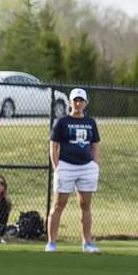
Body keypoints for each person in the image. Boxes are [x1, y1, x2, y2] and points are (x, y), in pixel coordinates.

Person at [46, 88, 101, 253]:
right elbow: (53, 146)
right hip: (66, 166)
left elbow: (95, 145)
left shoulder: (91, 122)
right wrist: (57, 167)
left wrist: (94, 165)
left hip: (86, 167)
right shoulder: (62, 122)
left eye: (81, 100)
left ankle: (87, 243)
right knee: (58, 204)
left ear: (85, 103)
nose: (78, 103)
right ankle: (51, 243)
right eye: (75, 100)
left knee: (85, 205)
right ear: (70, 102)